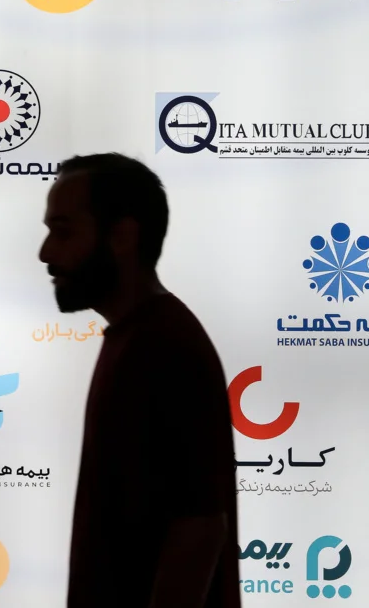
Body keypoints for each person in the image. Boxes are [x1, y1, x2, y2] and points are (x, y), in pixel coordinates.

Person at [38, 153, 240, 608]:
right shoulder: (137, 338)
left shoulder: (166, 346)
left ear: (122, 237)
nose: (46, 253)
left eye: (64, 232)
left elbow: (200, 528)